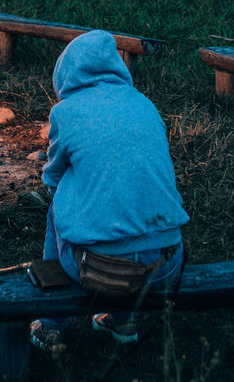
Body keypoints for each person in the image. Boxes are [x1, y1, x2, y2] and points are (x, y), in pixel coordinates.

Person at [29, 29, 188, 350]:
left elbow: (53, 178)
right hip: (166, 267)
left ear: (65, 73)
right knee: (136, 213)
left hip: (101, 272)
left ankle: (50, 324)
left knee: (59, 206)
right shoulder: (144, 104)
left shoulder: (66, 111)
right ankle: (122, 320)